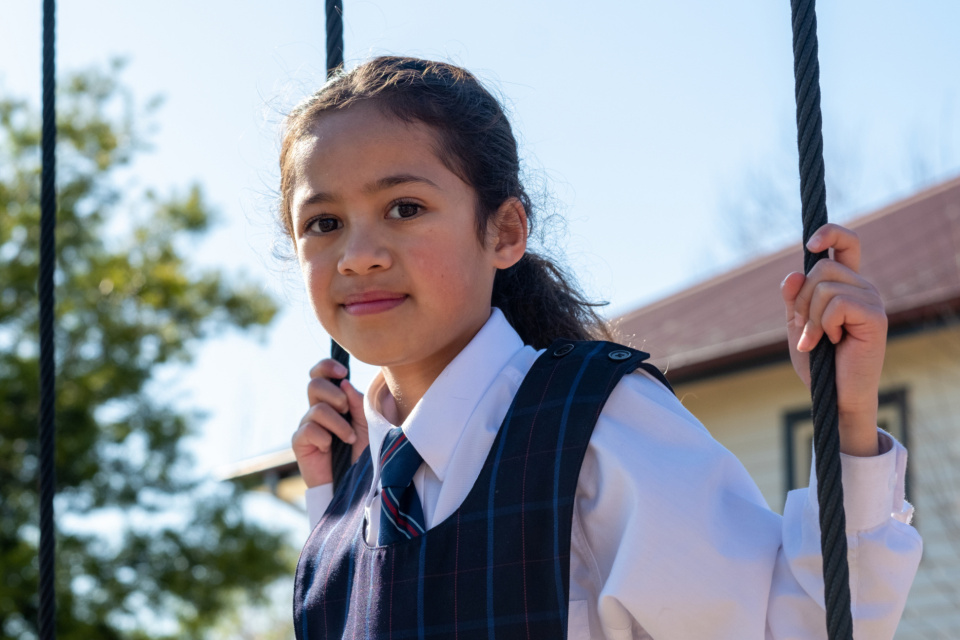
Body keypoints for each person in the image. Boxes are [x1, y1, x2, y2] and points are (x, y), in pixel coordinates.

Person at [281, 56, 920, 639]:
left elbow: (799, 630)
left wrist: (850, 419)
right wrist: (335, 509)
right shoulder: (349, 495)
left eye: (404, 207)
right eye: (324, 223)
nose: (359, 257)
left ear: (504, 232)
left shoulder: (593, 425)